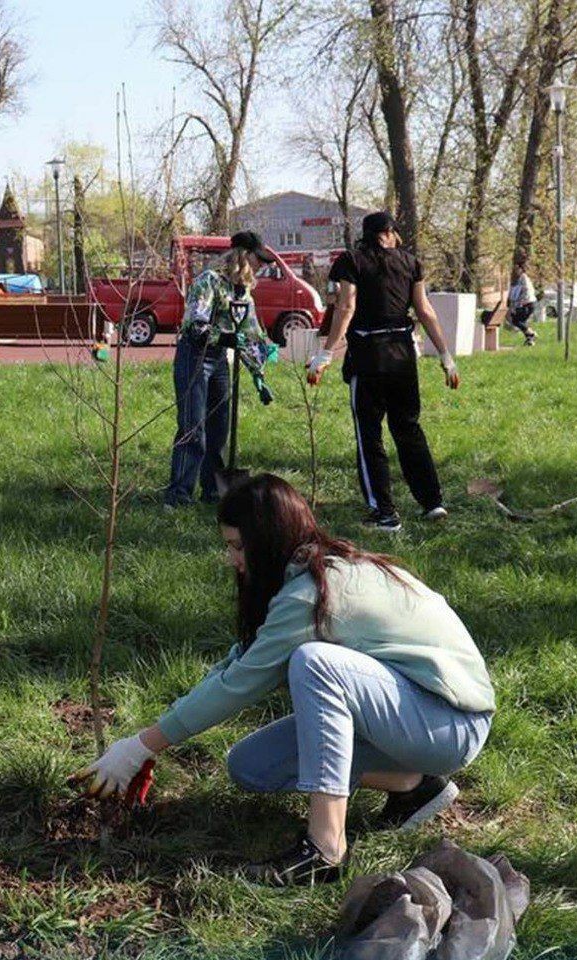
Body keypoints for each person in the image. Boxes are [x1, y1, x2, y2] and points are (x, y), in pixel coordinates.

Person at [74, 474, 495, 886]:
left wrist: (140, 746)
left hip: (451, 723)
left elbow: (237, 688)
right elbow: (236, 669)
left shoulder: (312, 593)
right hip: (411, 714)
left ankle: (325, 848)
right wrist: (146, 740)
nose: (232, 560)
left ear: (267, 541)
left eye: (238, 547)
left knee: (316, 664)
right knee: (251, 767)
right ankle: (413, 786)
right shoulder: (305, 577)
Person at [307, 212, 459, 532]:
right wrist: (446, 356)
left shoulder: (352, 261)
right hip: (403, 354)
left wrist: (324, 354)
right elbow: (425, 310)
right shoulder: (410, 262)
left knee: (369, 435)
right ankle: (432, 502)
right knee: (408, 427)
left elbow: (346, 308)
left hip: (368, 356)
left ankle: (385, 514)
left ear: (367, 235)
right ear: (389, 233)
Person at [163, 231, 276, 508]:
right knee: (193, 428)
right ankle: (178, 495)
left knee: (218, 430)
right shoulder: (208, 282)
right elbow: (194, 324)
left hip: (219, 362)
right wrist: (224, 337)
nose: (261, 266)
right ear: (242, 256)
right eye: (257, 259)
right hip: (195, 357)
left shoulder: (243, 291)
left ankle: (213, 490)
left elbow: (249, 334)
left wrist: (258, 375)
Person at [505, 265, 537, 346]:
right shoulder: (519, 279)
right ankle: (530, 339)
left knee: (516, 320)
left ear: (521, 270)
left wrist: (520, 302)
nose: (514, 272)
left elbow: (526, 291)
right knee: (521, 322)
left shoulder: (523, 278)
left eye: (517, 270)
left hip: (527, 304)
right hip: (526, 304)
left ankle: (531, 333)